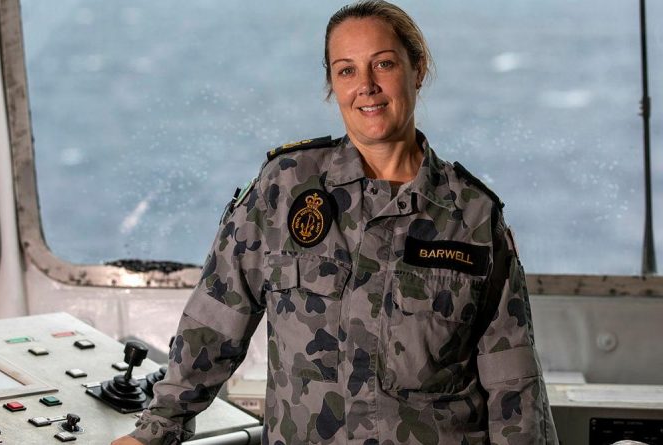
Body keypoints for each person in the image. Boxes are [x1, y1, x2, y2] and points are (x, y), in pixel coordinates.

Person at [112, 1, 558, 443]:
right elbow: (215, 320)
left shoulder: (472, 215)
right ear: (331, 83)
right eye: (346, 70)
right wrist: (156, 430)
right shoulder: (285, 189)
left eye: (383, 64)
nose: (365, 86)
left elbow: (512, 379)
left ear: (417, 70)